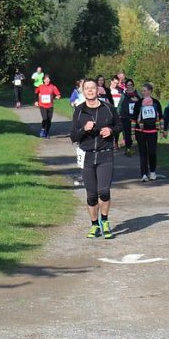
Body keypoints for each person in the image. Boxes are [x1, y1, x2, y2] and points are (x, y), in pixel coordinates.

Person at [70, 78, 117, 239]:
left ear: (98, 90)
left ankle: (105, 220)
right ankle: (94, 224)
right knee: (91, 194)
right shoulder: (79, 110)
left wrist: (111, 130)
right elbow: (73, 136)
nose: (90, 91)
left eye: (93, 88)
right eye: (87, 88)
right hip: (87, 156)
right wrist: (84, 129)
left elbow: (119, 126)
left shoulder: (108, 108)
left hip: (105, 153)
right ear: (83, 91)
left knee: (103, 191)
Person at [130, 82, 164, 182]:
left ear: (150, 91)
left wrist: (162, 131)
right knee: (143, 152)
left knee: (152, 152)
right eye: (142, 91)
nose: (143, 93)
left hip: (153, 130)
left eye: (145, 91)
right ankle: (144, 174)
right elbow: (134, 119)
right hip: (140, 131)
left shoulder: (156, 103)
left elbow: (161, 117)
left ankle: (152, 172)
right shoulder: (138, 103)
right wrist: (132, 133)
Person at [116, 79, 140, 157]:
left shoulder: (138, 93)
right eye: (128, 85)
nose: (129, 86)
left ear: (133, 85)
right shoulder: (124, 94)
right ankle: (128, 148)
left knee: (138, 132)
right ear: (126, 86)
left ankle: (140, 147)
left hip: (136, 117)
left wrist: (137, 101)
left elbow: (143, 102)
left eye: (131, 85)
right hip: (125, 117)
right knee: (127, 133)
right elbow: (120, 105)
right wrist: (118, 114)